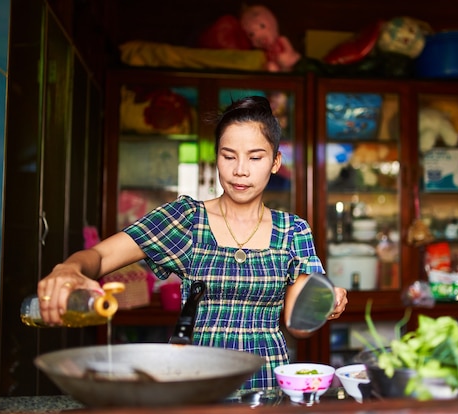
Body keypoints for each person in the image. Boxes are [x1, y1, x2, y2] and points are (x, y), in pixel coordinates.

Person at [36, 95, 348, 390]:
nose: (240, 170)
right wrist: (69, 269)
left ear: (276, 162)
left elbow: (298, 324)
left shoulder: (293, 231)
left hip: (263, 388)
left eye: (255, 157)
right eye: (229, 156)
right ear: (216, 157)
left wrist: (322, 302)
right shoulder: (186, 219)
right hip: (196, 382)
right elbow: (100, 257)